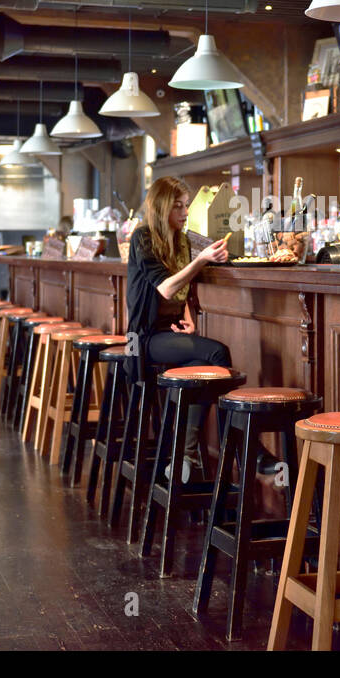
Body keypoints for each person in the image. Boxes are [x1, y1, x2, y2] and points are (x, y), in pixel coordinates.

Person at [124, 177, 238, 482]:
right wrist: (201, 260)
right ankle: (238, 450)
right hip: (144, 338)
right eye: (178, 206)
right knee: (217, 352)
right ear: (162, 208)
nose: (185, 212)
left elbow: (183, 288)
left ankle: (182, 457)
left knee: (202, 367)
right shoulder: (143, 237)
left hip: (171, 333)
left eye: (186, 205)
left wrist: (189, 315)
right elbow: (165, 286)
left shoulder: (183, 239)